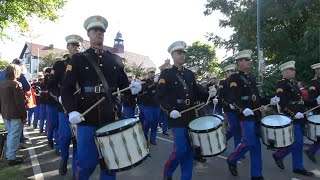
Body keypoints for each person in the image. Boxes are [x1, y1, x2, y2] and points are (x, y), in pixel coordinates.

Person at [61, 15, 141, 180]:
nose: (99, 33)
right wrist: (71, 111)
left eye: (102, 31)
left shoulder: (115, 59)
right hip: (86, 117)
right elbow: (66, 88)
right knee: (86, 164)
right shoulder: (78, 59)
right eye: (95, 30)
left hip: (109, 117)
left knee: (111, 164)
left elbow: (124, 86)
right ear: (88, 35)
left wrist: (133, 91)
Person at [157, 41, 216, 180]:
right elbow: (160, 96)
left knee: (190, 150)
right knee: (181, 149)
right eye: (179, 53)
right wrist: (170, 110)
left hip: (190, 115)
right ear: (172, 55)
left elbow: (196, 92)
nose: (182, 55)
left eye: (183, 52)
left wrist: (210, 94)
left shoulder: (189, 74)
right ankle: (168, 170)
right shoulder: (166, 74)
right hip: (176, 116)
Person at [226, 50, 279, 180]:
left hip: (256, 115)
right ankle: (232, 159)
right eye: (247, 60)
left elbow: (257, 98)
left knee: (256, 146)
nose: (250, 62)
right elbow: (233, 98)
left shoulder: (251, 78)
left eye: (249, 60)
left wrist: (269, 100)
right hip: (245, 116)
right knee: (249, 142)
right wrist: (242, 109)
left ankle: (257, 175)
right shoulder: (234, 78)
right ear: (239, 62)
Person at [272, 61, 317, 177]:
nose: (294, 71)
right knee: (297, 141)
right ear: (285, 71)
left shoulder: (294, 85)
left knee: (298, 143)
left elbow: (301, 102)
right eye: (292, 69)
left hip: (300, 116)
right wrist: (293, 114)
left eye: (294, 69)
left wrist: (315, 102)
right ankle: (282, 157)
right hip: (291, 117)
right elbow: (282, 103)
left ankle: (296, 166)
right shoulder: (281, 85)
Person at [48, 34, 83, 176]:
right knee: (66, 135)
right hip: (64, 106)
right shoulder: (60, 65)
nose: (76, 47)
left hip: (81, 106)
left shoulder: (84, 62)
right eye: (73, 45)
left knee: (78, 139)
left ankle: (76, 170)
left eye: (78, 45)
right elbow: (51, 84)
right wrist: (60, 96)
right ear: (67, 47)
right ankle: (64, 158)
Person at [0, 64, 26, 165]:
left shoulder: (1, 84)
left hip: (5, 113)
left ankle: (10, 155)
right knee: (14, 135)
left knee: (11, 134)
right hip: (15, 113)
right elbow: (19, 103)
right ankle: (11, 157)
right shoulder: (16, 84)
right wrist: (24, 116)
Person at [219, 64, 242, 149]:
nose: (231, 73)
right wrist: (228, 104)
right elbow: (220, 97)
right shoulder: (223, 82)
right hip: (228, 108)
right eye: (229, 71)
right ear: (226, 73)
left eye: (232, 71)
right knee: (235, 127)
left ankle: (223, 139)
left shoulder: (237, 82)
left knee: (236, 128)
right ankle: (237, 148)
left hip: (237, 108)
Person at [304, 63, 320, 163]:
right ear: (316, 71)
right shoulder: (314, 83)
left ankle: (311, 151)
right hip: (318, 111)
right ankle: (311, 151)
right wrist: (317, 100)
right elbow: (310, 98)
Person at [141, 67, 160, 145]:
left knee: (155, 123)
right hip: (147, 105)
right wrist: (154, 83)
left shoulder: (157, 81)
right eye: (151, 72)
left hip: (156, 105)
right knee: (149, 121)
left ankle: (153, 139)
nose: (152, 74)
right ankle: (144, 135)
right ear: (147, 73)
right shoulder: (144, 81)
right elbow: (145, 89)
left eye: (153, 72)